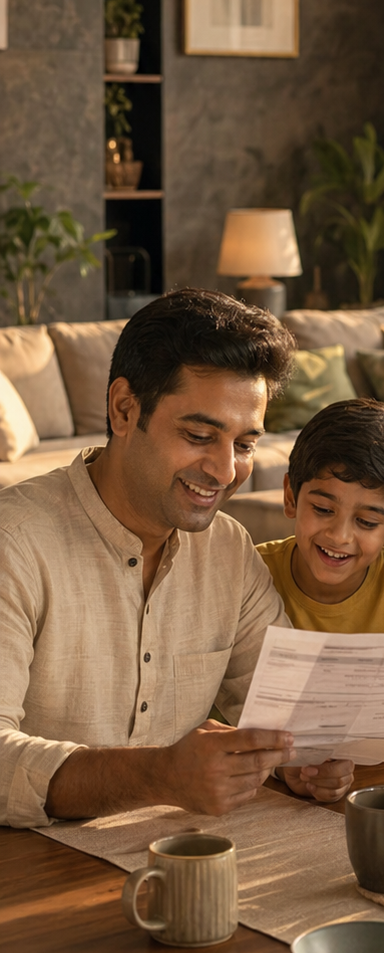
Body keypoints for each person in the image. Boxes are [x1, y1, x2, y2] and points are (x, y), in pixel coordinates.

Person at [0, 289, 353, 829]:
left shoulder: (228, 551)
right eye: (198, 435)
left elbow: (284, 709)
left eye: (244, 444)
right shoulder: (15, 541)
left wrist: (298, 762)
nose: (224, 469)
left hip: (183, 857)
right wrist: (156, 776)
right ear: (124, 409)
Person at [258, 399, 384, 750]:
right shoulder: (252, 573)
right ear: (290, 496)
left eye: (367, 522)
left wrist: (313, 729)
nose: (339, 536)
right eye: (322, 509)